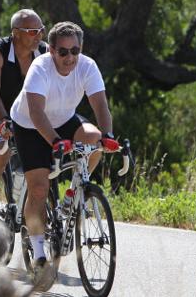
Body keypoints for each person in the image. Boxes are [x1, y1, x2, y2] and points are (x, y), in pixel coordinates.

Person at [10, 21, 120, 287]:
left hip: (65, 119)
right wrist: (56, 141)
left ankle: (74, 194)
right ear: (51, 51)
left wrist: (107, 136)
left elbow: (100, 105)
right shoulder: (40, 68)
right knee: (39, 187)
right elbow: (37, 113)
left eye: (75, 51)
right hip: (30, 125)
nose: (70, 58)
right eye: (63, 52)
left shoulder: (87, 66)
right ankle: (38, 257)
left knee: (94, 141)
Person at [0, 9, 48, 210]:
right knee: (2, 152)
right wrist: (5, 121)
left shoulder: (45, 52)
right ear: (15, 33)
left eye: (41, 30)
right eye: (32, 31)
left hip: (21, 110)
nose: (38, 36)